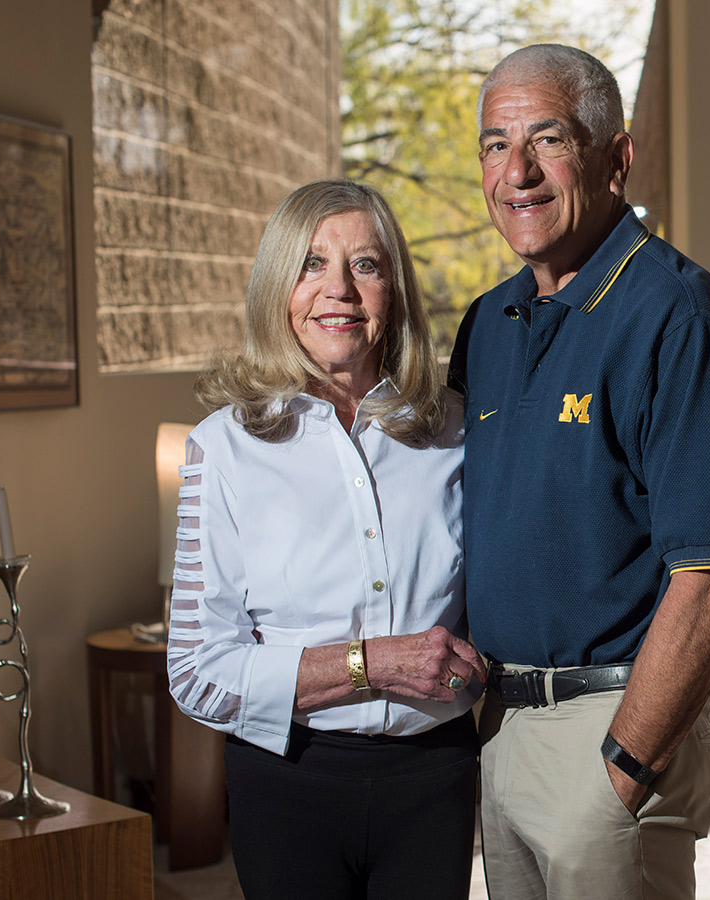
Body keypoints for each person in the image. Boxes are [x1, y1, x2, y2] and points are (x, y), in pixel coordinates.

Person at [449, 44, 710, 900]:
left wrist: (622, 770)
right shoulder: (486, 324)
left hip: (613, 727)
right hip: (503, 724)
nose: (515, 172)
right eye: (493, 145)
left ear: (615, 158)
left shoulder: (677, 316)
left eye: (547, 140)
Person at [166, 179, 486, 900]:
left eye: (366, 265)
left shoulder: (459, 431)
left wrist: (481, 667)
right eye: (311, 263)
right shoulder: (223, 448)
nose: (338, 289)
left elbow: (501, 599)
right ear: (279, 287)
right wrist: (369, 663)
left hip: (435, 777)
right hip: (287, 780)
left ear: (394, 291)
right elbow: (194, 672)